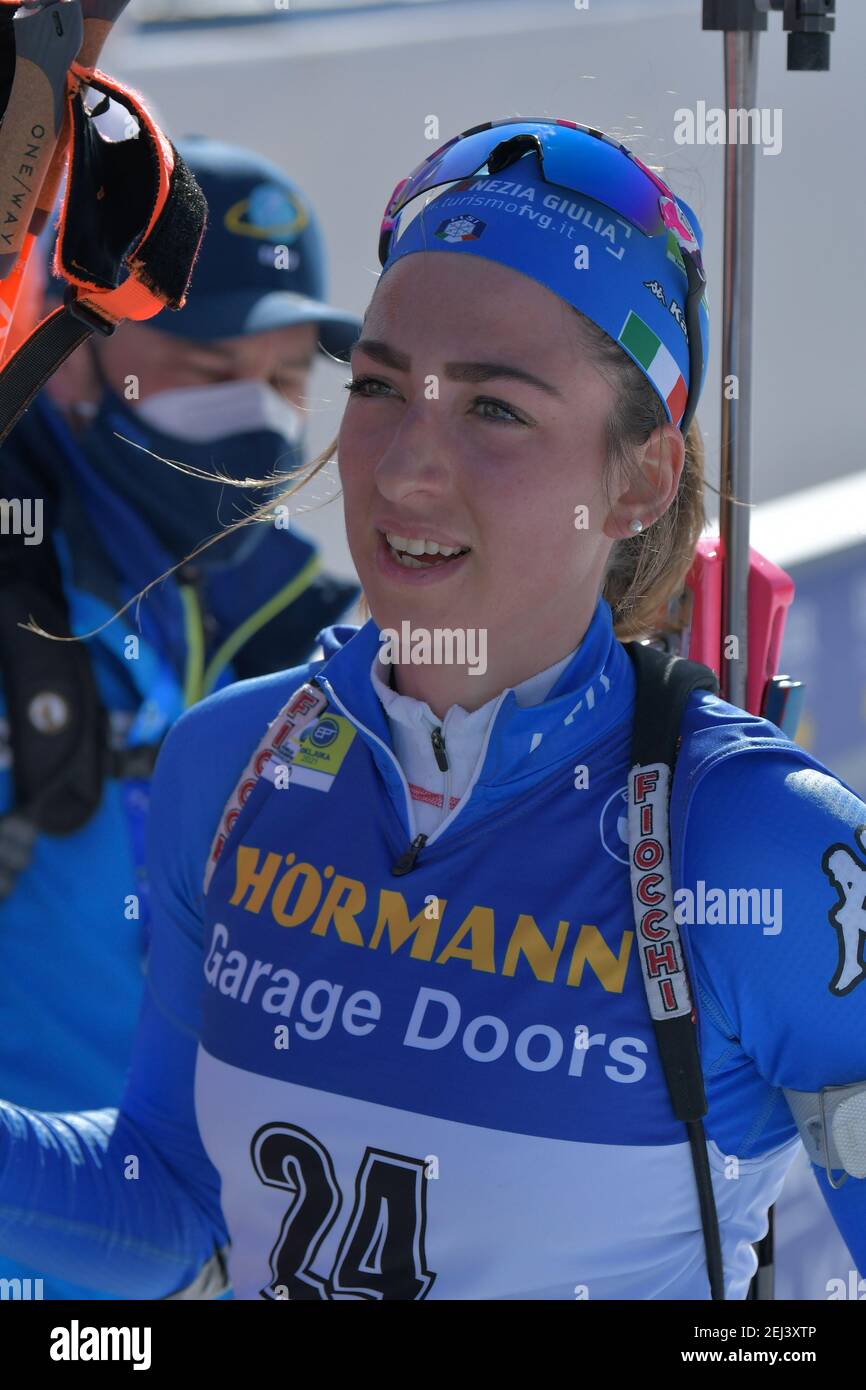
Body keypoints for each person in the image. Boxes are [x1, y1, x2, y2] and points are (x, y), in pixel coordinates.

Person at [0, 118, 863, 1301]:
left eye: (494, 410)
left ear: (639, 477)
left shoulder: (757, 842)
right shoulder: (234, 761)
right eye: (377, 386)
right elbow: (170, 1202)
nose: (405, 464)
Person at [0, 136, 360, 1300]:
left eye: (288, 375)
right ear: (68, 352)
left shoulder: (300, 630)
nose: (257, 416)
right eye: (208, 364)